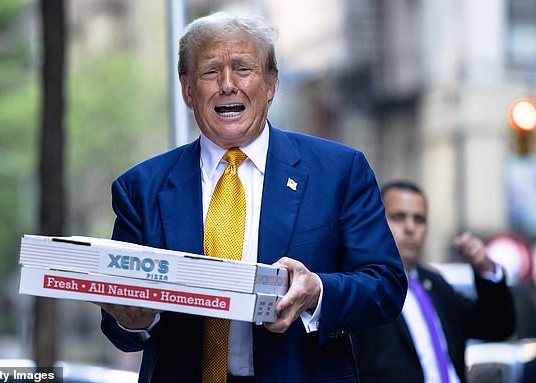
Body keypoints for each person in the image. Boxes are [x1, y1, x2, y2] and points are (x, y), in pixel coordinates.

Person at [98, 12, 407, 383]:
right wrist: (136, 319)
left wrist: (317, 292)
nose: (228, 84)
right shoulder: (141, 188)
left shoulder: (339, 171)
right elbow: (120, 325)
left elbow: (385, 286)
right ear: (187, 89)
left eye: (243, 69)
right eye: (211, 72)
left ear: (271, 83)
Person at [352, 180, 516, 383]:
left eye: (419, 219)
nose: (410, 227)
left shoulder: (436, 284)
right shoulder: (361, 289)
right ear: (376, 221)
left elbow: (498, 326)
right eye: (398, 217)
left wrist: (485, 269)